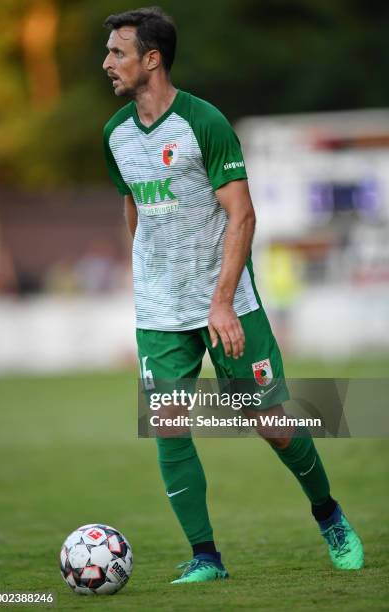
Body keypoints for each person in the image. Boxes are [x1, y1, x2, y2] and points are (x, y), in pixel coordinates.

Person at [102, 7, 364, 583]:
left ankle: (330, 516)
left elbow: (242, 215)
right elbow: (133, 207)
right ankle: (206, 558)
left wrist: (220, 300)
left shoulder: (205, 122)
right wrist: (151, 275)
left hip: (228, 303)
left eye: (118, 53)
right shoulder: (115, 135)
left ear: (153, 59)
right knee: (168, 422)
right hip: (161, 310)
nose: (107, 63)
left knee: (270, 420)